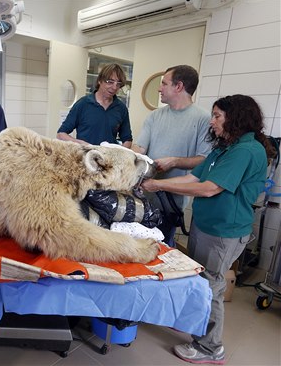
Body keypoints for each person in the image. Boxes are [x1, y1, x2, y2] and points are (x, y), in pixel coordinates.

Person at [142, 95, 277, 365]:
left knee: (211, 286)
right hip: (205, 225)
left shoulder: (246, 151)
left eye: (217, 116)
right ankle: (193, 324)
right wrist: (151, 178)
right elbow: (194, 177)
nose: (212, 121)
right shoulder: (223, 148)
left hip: (224, 231)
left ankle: (211, 348)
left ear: (235, 117)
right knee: (198, 281)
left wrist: (160, 186)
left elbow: (210, 187)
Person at [132, 65, 212, 247]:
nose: (159, 88)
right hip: (143, 193)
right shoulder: (154, 116)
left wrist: (175, 161)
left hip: (171, 200)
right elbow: (140, 148)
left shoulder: (203, 119)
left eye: (164, 84)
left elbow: (204, 159)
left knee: (161, 247)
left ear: (179, 86)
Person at [57, 63, 132, 147]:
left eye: (118, 84)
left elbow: (127, 139)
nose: (114, 87)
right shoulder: (83, 104)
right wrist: (81, 144)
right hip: (85, 157)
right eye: (110, 82)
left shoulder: (121, 108)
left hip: (108, 158)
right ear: (100, 80)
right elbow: (61, 134)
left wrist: (120, 155)